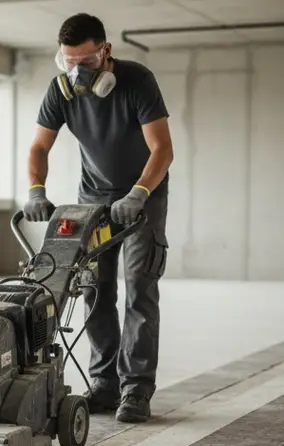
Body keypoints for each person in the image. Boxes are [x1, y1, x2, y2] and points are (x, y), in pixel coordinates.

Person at [24, 13, 174, 424]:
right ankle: (104, 386)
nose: (77, 72)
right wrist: (36, 189)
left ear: (105, 51)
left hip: (144, 194)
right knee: (94, 289)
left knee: (140, 289)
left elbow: (162, 149)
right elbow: (39, 146)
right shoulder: (61, 92)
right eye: (68, 62)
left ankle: (136, 390)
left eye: (86, 63)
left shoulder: (137, 82)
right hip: (93, 197)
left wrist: (139, 193)